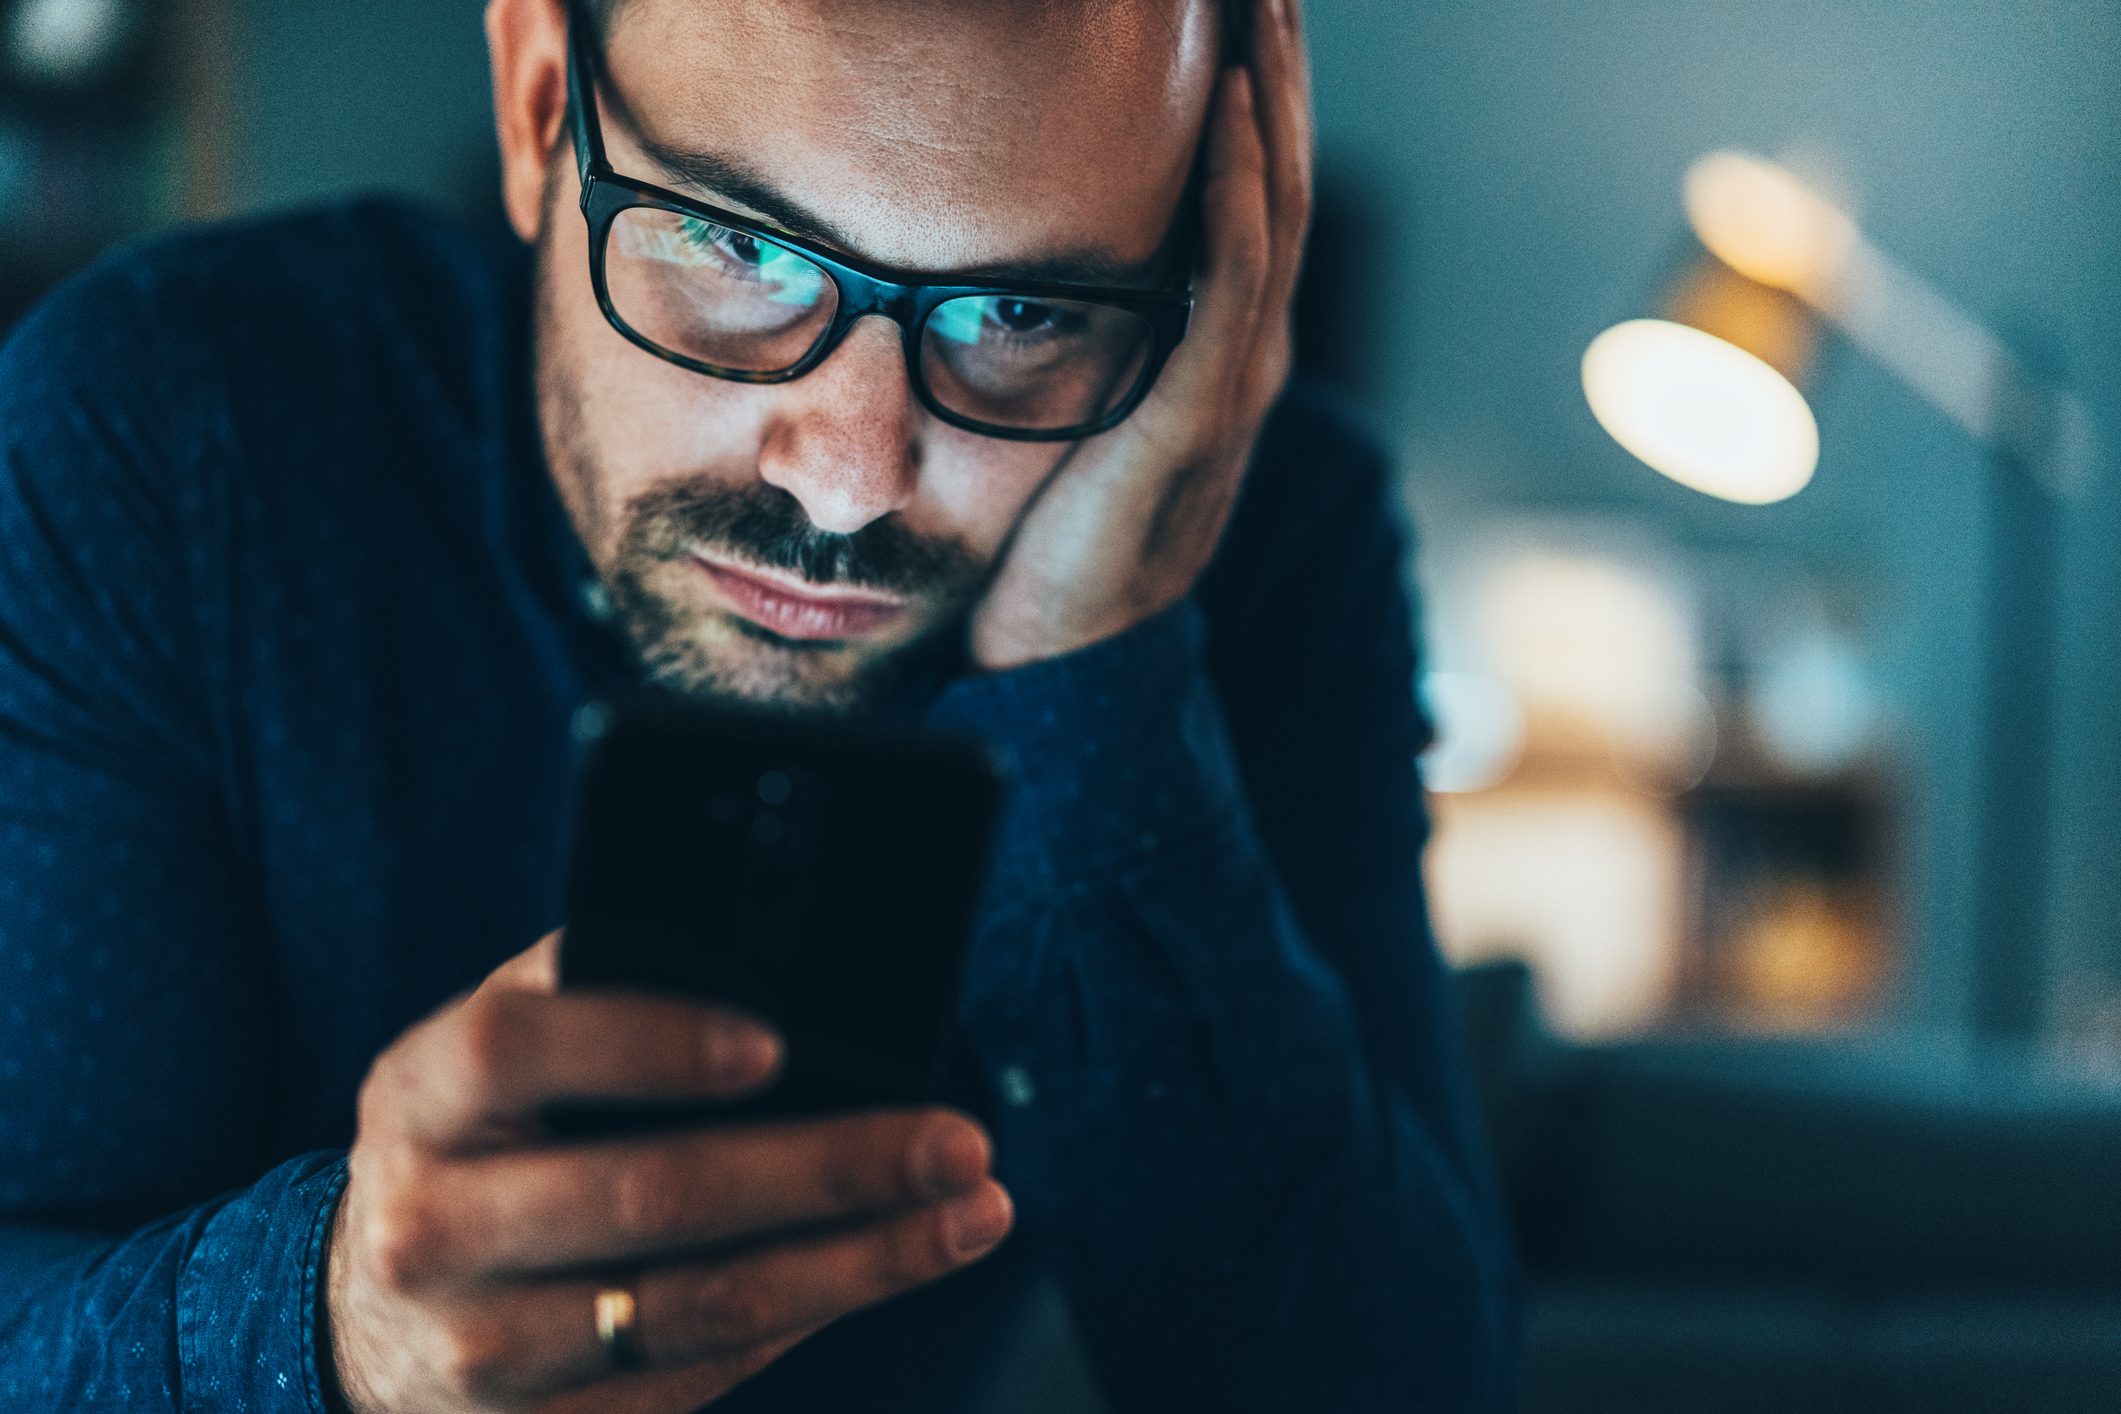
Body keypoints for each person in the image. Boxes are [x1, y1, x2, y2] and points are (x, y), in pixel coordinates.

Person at [0, 0, 1517, 1408]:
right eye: (739, 251)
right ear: (543, 110)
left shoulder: (1270, 538)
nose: (848, 483)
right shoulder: (170, 432)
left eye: (1020, 314)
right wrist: (333, 1325)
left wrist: (1095, 676)